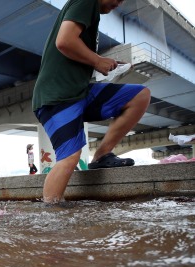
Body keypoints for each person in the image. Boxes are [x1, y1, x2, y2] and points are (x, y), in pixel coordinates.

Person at [32, 0, 151, 203]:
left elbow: (72, 49)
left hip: (81, 92)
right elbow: (64, 41)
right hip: (58, 96)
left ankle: (102, 155)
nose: (119, 4)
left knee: (139, 96)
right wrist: (97, 60)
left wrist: (101, 62)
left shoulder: (91, 11)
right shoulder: (86, 1)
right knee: (69, 157)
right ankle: (51, 216)